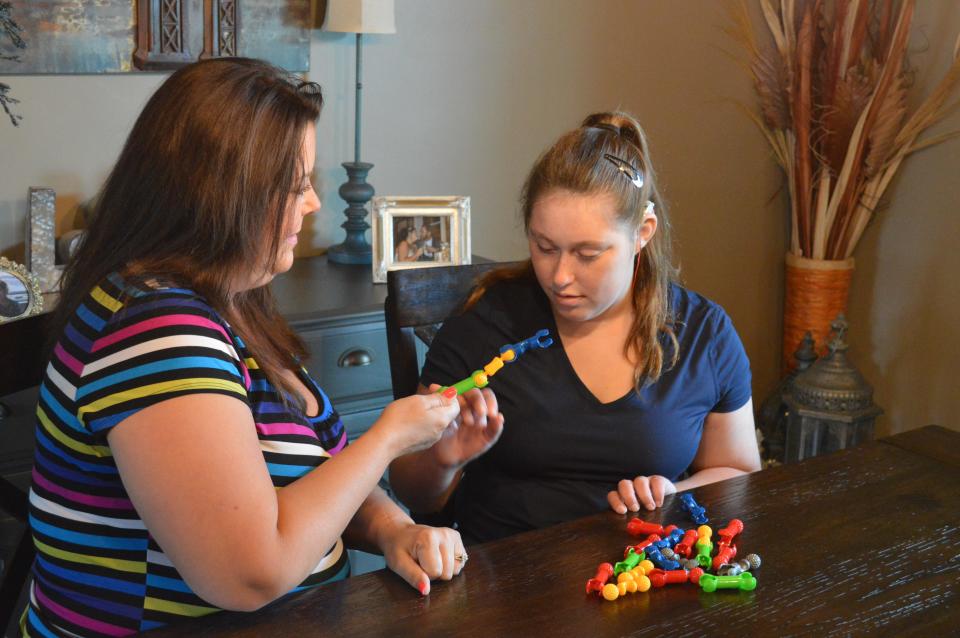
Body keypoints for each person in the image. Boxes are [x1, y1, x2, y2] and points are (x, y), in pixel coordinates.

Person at [22, 58, 481, 638]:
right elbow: (249, 575)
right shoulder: (158, 335)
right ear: (224, 196)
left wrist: (394, 529)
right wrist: (388, 439)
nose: (313, 204)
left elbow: (315, 475)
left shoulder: (228, 298)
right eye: (295, 186)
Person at [389, 112, 761, 546]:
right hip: (509, 582)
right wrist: (442, 460)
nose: (560, 276)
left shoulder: (702, 333)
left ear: (642, 233)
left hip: (645, 577)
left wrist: (673, 494)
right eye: (544, 247)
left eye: (587, 254)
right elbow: (411, 488)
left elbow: (738, 474)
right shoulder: (486, 326)